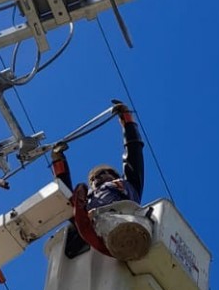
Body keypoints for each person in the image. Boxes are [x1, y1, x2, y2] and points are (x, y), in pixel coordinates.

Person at [51, 100, 148, 260]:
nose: (98, 178)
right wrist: (58, 160)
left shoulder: (128, 186)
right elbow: (64, 193)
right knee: (69, 206)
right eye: (94, 179)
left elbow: (134, 153)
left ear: (115, 177)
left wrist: (127, 120)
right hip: (89, 242)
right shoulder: (82, 203)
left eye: (103, 174)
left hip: (122, 227)